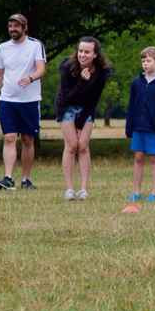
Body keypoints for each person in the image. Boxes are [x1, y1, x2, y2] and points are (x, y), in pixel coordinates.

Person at [0, 13, 47, 191]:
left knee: (28, 139)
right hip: (7, 99)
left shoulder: (35, 45)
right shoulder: (3, 48)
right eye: (10, 26)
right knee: (9, 137)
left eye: (16, 26)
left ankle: (26, 179)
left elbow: (41, 69)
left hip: (29, 100)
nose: (12, 29)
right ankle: (8, 178)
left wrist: (30, 78)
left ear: (24, 27)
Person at [55, 36, 112, 201]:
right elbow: (66, 97)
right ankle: (69, 189)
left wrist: (81, 121)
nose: (82, 55)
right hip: (66, 106)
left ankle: (83, 189)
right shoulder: (67, 67)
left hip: (87, 108)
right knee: (72, 145)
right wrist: (82, 80)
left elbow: (94, 99)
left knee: (83, 146)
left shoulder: (102, 72)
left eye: (87, 52)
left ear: (95, 54)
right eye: (80, 51)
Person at [125, 47, 155, 202]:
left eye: (149, 61)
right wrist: (129, 127)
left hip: (154, 128)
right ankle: (136, 191)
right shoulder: (136, 83)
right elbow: (131, 106)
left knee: (154, 158)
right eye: (143, 61)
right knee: (138, 157)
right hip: (138, 126)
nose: (145, 64)